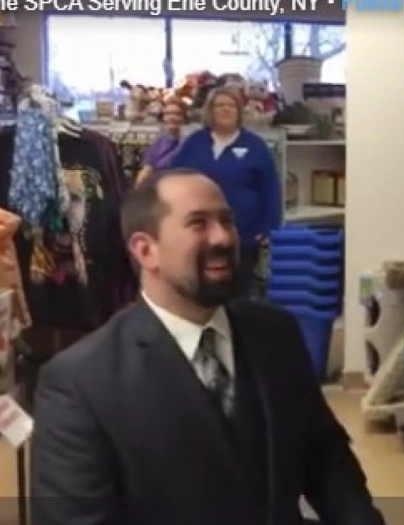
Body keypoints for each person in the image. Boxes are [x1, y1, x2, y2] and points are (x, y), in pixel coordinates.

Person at [29, 169, 383, 525]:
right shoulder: (80, 383)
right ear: (145, 250)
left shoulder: (275, 334)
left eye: (227, 221)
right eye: (198, 224)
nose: (222, 237)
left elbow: (326, 458)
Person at [170, 86, 282, 295]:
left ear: (239, 111)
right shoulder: (194, 143)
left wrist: (268, 228)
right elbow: (174, 178)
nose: (225, 109)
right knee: (200, 287)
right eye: (220, 105)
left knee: (237, 291)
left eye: (231, 105)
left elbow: (270, 189)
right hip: (198, 233)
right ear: (210, 111)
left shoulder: (255, 146)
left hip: (243, 235)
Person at [135, 97, 187, 186]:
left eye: (177, 114)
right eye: (167, 114)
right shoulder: (159, 143)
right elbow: (146, 170)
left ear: (184, 118)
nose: (171, 117)